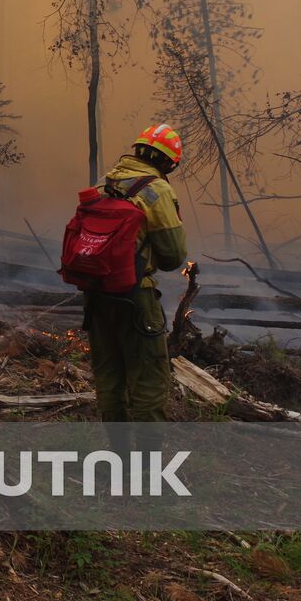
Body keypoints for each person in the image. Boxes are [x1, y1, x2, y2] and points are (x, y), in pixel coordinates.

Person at [84, 124, 187, 422]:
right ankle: (146, 469)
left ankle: (119, 460)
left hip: (96, 295)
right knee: (149, 383)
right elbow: (173, 256)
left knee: (109, 378)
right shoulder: (156, 189)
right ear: (168, 162)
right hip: (135, 298)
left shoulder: (105, 183)